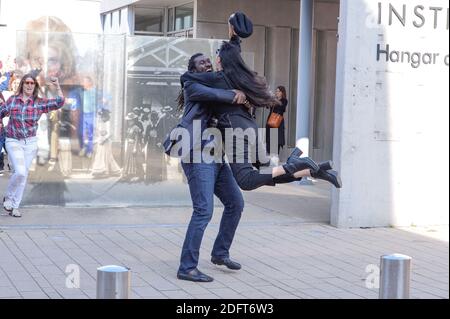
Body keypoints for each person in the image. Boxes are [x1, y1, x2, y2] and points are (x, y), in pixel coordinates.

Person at [0, 73, 64, 217]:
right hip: (13, 140)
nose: (29, 85)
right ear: (22, 84)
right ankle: (9, 197)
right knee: (20, 172)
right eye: (27, 83)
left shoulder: (39, 102)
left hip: (30, 142)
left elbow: (59, 102)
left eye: (32, 83)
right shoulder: (12, 101)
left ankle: (15, 206)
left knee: (23, 175)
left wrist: (57, 85)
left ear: (35, 86)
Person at [91, 108, 121, 177]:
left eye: (103, 117)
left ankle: (106, 171)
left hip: (106, 142)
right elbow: (99, 134)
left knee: (106, 155)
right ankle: (100, 171)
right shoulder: (100, 124)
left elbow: (110, 133)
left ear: (106, 117)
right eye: (101, 117)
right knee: (100, 155)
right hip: (100, 142)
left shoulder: (108, 123)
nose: (102, 118)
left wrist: (104, 139)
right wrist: (97, 140)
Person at [266, 86, 287, 156]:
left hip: (278, 121)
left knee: (277, 138)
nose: (277, 92)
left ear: (282, 92)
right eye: (276, 91)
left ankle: (275, 156)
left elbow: (282, 109)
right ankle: (269, 155)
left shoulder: (284, 100)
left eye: (278, 91)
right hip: (271, 120)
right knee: (270, 138)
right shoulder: (274, 99)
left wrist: (276, 100)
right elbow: (267, 106)